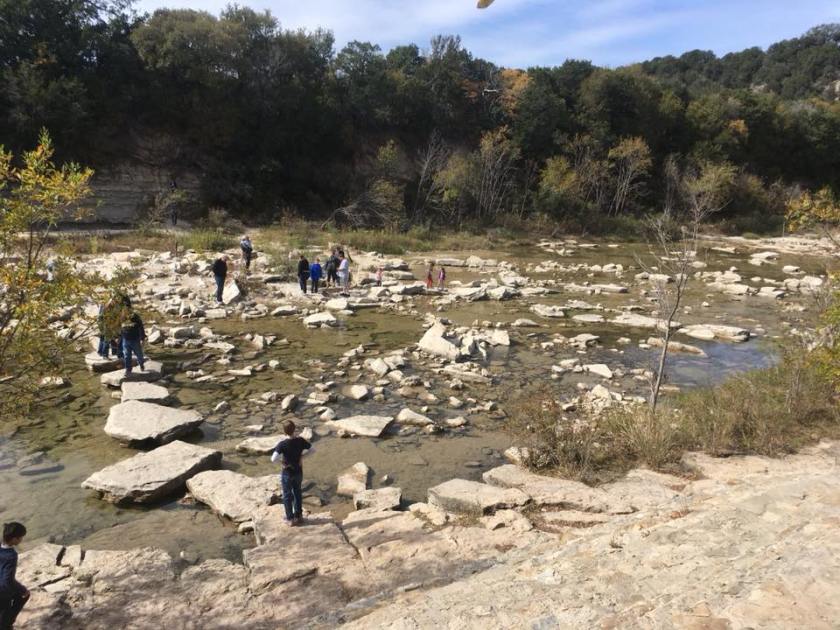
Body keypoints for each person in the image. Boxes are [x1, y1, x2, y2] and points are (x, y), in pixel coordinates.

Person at [270, 421, 313, 527]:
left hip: (287, 473)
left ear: (284, 432)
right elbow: (313, 450)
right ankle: (299, 516)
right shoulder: (300, 441)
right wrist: (302, 457)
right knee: (297, 492)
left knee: (287, 495)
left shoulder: (282, 444)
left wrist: (283, 463)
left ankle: (290, 519)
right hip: (298, 471)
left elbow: (273, 458)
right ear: (295, 429)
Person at [0, 522, 29, 630]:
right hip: (2, 591)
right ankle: (6, 624)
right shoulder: (11, 555)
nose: (21, 540)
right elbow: (7, 580)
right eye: (21, 537)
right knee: (24, 595)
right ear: (14, 539)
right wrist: (23, 590)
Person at [119, 296, 146, 377]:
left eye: (126, 308)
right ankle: (128, 370)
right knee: (127, 355)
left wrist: (142, 338)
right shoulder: (121, 316)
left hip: (135, 339)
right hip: (125, 339)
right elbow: (119, 327)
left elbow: (141, 327)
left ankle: (141, 363)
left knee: (139, 355)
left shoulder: (134, 316)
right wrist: (118, 337)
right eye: (123, 308)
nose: (125, 310)